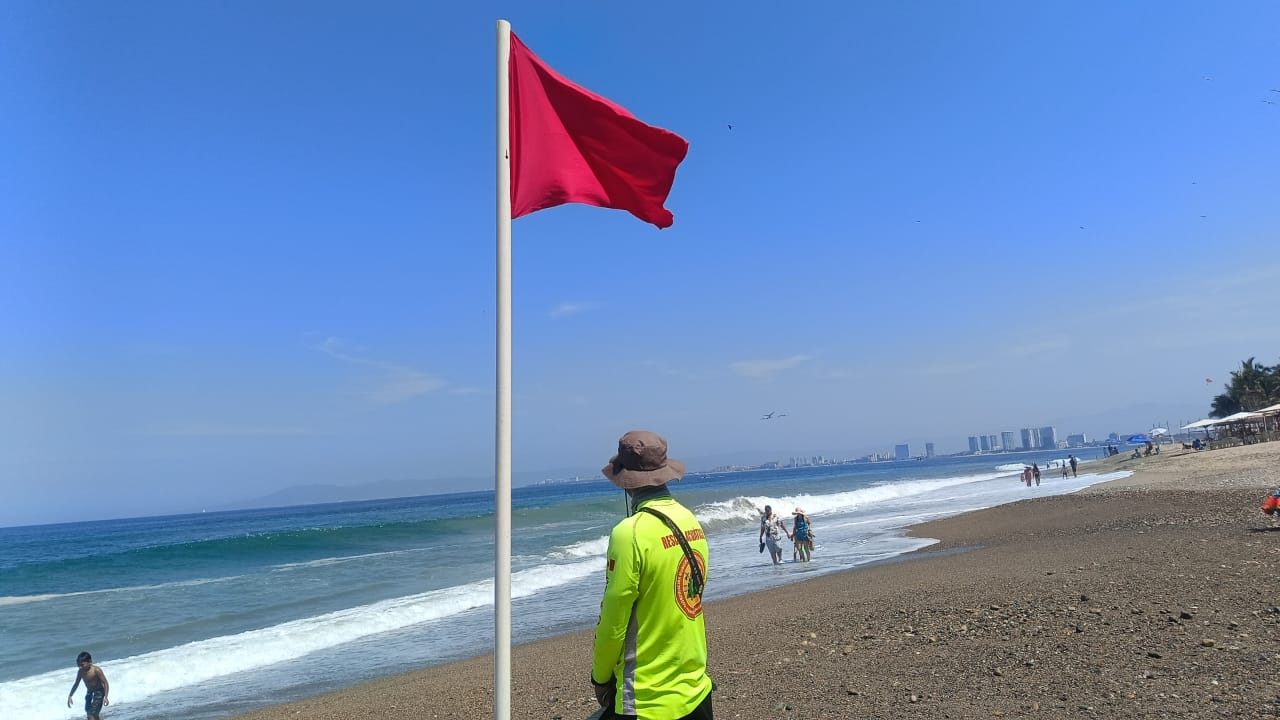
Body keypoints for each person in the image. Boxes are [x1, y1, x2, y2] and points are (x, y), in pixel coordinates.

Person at [591, 430, 714, 720]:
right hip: (696, 686)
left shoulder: (629, 533)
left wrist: (600, 677)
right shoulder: (690, 520)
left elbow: (613, 621)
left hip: (647, 697)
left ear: (626, 483)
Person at [67, 651, 109, 720]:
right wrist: (70, 695)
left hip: (99, 693)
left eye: (82, 665)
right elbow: (76, 683)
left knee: (92, 714)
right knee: (89, 712)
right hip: (89, 692)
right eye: (79, 665)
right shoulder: (80, 671)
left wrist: (106, 697)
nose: (80, 667)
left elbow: (105, 683)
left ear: (90, 662)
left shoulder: (96, 670)